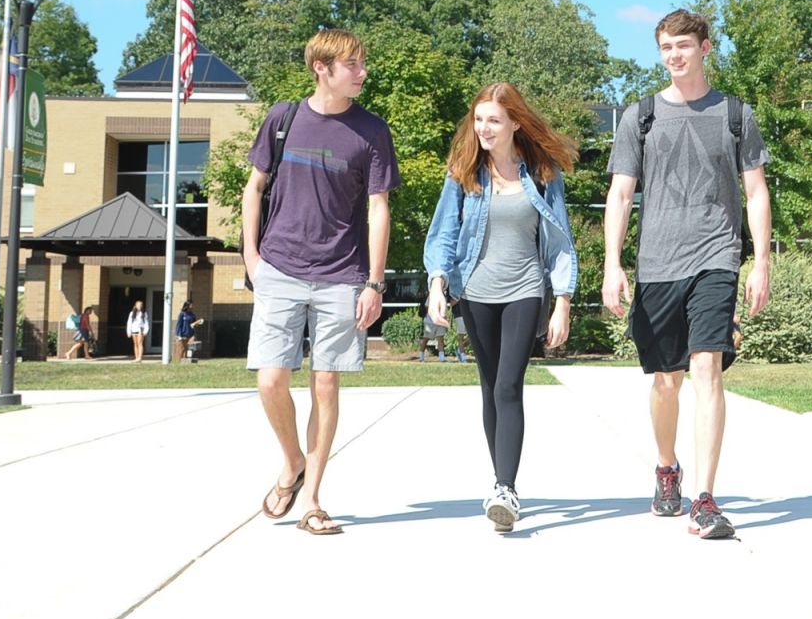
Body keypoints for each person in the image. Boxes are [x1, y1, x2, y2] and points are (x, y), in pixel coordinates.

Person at [603, 10, 771, 540]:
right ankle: (666, 467)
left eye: (683, 45)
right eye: (666, 47)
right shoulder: (641, 116)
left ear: (705, 47)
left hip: (717, 256)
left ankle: (705, 498)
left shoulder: (735, 114)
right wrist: (612, 264)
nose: (674, 55)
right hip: (658, 263)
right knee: (665, 381)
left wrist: (760, 262)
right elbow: (621, 194)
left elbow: (756, 191)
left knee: (706, 368)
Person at [242, 28, 396, 537]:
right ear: (321, 69)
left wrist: (374, 283)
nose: (362, 72)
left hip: (341, 274)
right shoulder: (283, 118)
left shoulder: (372, 131)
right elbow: (253, 187)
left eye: (362, 62)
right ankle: (293, 460)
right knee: (271, 380)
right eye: (352, 64)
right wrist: (251, 255)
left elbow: (378, 208)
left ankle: (311, 498)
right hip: (280, 267)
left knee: (325, 384)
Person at [424, 82, 578, 533]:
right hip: (475, 293)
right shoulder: (464, 172)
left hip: (525, 290)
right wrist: (437, 284)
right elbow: (444, 233)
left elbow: (560, 241)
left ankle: (506, 488)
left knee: (509, 385)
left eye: (493, 120)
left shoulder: (543, 174)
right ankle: (500, 486)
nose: (484, 128)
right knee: (490, 386)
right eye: (478, 120)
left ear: (515, 123)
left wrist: (562, 302)